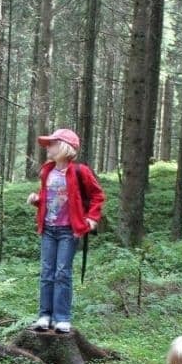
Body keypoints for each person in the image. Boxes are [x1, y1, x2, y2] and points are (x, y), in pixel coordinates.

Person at [27, 129, 105, 333]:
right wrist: (37, 200)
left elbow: (97, 195)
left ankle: (61, 318)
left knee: (62, 273)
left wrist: (91, 219)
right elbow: (51, 199)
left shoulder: (80, 171)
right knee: (46, 272)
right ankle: (44, 315)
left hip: (69, 231)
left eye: (52, 143)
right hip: (48, 229)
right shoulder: (47, 171)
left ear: (64, 147)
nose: (48, 147)